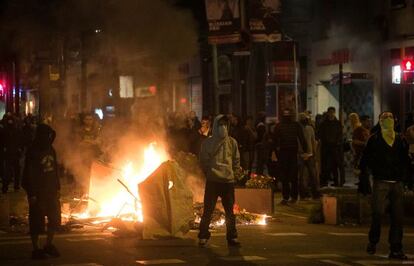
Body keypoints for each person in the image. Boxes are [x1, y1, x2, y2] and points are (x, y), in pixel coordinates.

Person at [358, 111, 411, 260]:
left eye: (390, 117)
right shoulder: (374, 139)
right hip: (380, 181)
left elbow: (406, 160)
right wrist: (364, 176)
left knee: (398, 217)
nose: (387, 120)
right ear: (380, 121)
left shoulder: (400, 139)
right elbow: (365, 159)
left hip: (397, 182)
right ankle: (373, 240)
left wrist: (405, 178)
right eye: (384, 117)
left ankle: (396, 248)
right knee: (377, 214)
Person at [198, 114, 240, 247]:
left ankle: (232, 237)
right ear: (216, 126)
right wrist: (210, 173)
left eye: (225, 125)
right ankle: (203, 236)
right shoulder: (208, 142)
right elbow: (203, 161)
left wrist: (233, 173)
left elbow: (236, 160)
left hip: (227, 182)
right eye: (220, 124)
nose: (223, 127)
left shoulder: (232, 142)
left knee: (229, 212)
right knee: (208, 210)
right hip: (214, 181)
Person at [22, 124, 60, 260]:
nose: (48, 137)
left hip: (51, 191)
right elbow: (28, 174)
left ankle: (48, 245)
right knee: (36, 222)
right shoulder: (33, 151)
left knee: (54, 220)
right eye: (46, 134)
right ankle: (36, 249)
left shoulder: (50, 148)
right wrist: (31, 194)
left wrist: (58, 188)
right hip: (38, 193)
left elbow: (54, 169)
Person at [272, 109, 307, 205]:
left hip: (285, 152)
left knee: (286, 176)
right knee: (292, 176)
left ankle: (287, 197)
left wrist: (275, 151)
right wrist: (305, 150)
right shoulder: (295, 125)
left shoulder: (280, 125)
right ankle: (292, 197)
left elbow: (274, 140)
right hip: (291, 151)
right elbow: (302, 138)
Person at [318, 107, 344, 187]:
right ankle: (324, 181)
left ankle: (337, 181)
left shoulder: (337, 123)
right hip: (326, 147)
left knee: (335, 165)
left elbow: (340, 134)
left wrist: (337, 142)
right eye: (330, 112)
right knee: (326, 165)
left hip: (335, 146)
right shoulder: (324, 124)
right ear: (328, 113)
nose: (331, 114)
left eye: (333, 112)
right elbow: (320, 134)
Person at [298, 112, 320, 200]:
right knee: (312, 175)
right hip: (308, 154)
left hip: (302, 154)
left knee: (303, 175)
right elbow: (313, 141)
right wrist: (314, 153)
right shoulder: (310, 128)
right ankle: (314, 193)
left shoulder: (299, 128)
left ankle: (304, 194)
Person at [2, 114, 23, 193]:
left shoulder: (15, 130)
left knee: (15, 170)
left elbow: (19, 140)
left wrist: (19, 148)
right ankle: (6, 187)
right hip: (9, 153)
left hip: (13, 153)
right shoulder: (5, 131)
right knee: (8, 171)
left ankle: (14, 186)